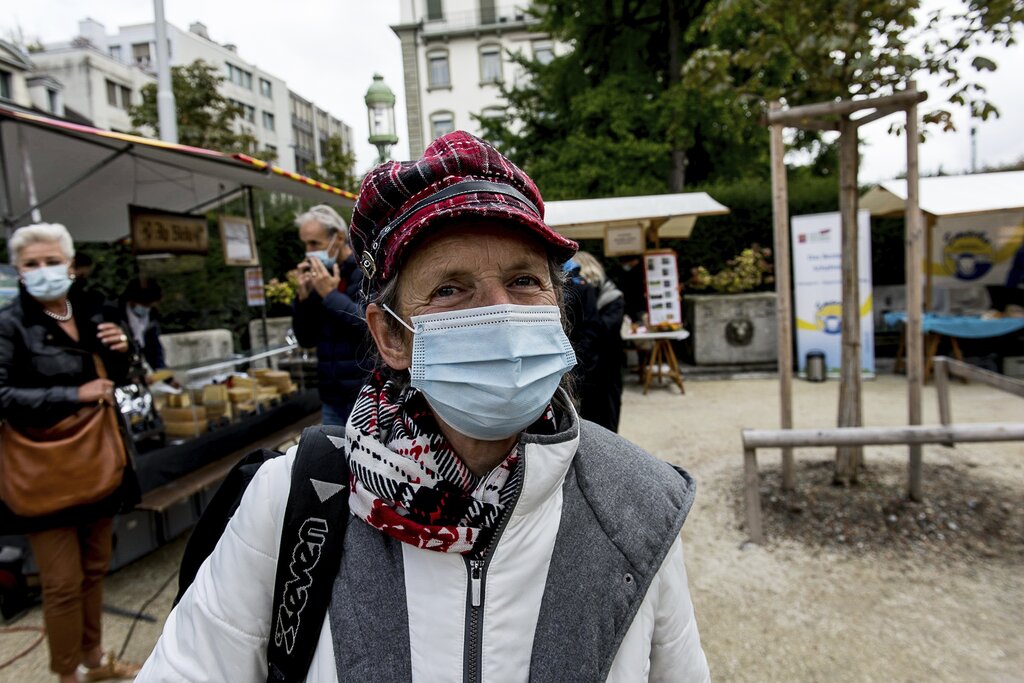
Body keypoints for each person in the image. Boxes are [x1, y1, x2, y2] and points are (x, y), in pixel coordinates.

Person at [138, 131, 709, 681]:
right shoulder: (293, 500)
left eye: (524, 280)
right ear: (391, 335)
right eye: (449, 289)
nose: (500, 314)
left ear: (558, 307)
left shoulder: (640, 504)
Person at [0, 223, 140, 683]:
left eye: (51, 261)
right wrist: (73, 394)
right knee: (61, 583)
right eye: (31, 265)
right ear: (18, 272)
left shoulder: (91, 309)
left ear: (70, 263)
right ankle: (67, 675)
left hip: (97, 458)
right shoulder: (11, 325)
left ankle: (95, 660)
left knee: (96, 568)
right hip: (44, 470)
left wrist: (124, 348)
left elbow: (117, 376)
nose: (43, 271)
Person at [291, 204, 367, 426]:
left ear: (339, 238)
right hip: (330, 398)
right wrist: (303, 301)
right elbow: (305, 339)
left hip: (363, 396)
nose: (309, 251)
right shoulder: (318, 278)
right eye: (305, 244)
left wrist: (330, 295)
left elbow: (369, 325)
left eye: (315, 243)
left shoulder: (363, 272)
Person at [574, 250, 627, 431]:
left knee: (606, 415)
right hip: (592, 365)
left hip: (607, 366)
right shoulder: (611, 297)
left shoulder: (611, 298)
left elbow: (601, 329)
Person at [121, 279, 166, 373]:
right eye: (144, 304)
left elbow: (154, 349)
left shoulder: (151, 318)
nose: (146, 308)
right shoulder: (115, 316)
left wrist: (164, 374)